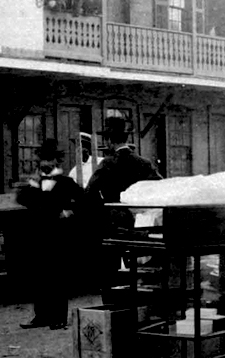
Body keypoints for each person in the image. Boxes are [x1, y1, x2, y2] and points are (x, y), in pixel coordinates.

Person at [16, 139, 84, 330]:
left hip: (58, 236)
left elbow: (85, 201)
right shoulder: (36, 182)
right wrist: (34, 183)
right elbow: (21, 199)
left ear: (57, 162)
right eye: (42, 160)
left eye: (49, 160)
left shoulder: (66, 182)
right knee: (39, 275)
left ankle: (59, 317)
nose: (45, 164)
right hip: (38, 234)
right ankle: (41, 316)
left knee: (57, 276)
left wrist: (69, 212)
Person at [86, 116, 162, 205]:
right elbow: (158, 185)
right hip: (138, 212)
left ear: (109, 140)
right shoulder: (145, 163)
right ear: (125, 139)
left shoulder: (108, 163)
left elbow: (90, 190)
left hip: (114, 212)